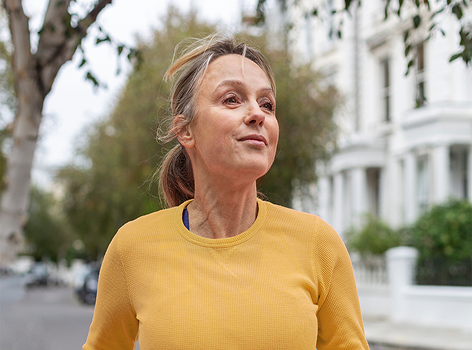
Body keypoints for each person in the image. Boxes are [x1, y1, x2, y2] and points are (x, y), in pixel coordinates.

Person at [83, 33, 369, 350]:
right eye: (231, 99)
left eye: (267, 104)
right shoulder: (132, 247)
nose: (258, 114)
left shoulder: (318, 243)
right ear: (185, 130)